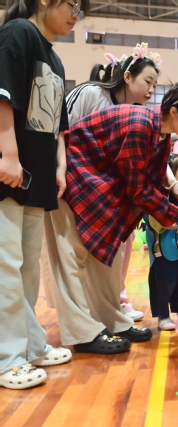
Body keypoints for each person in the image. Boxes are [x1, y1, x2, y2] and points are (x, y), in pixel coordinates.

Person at [43, 83, 178, 354]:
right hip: (73, 179)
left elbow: (150, 185)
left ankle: (113, 321)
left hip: (97, 187)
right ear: (174, 112)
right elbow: (138, 188)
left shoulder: (161, 136)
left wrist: (175, 218)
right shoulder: (140, 124)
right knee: (71, 259)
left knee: (106, 260)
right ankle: (82, 334)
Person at [0, 0, 84, 390]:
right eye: (72, 4)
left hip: (36, 177)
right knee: (6, 266)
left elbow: (57, 126)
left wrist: (60, 166)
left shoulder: (55, 58)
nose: (76, 14)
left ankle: (30, 346)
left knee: (27, 268)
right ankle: (7, 358)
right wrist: (8, 155)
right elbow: (3, 97)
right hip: (10, 171)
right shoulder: (18, 33)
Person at [65, 43, 165, 322]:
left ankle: (117, 300)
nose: (151, 90)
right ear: (128, 76)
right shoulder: (90, 93)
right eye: (147, 81)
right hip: (77, 188)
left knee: (122, 243)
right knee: (77, 254)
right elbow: (63, 133)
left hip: (113, 197)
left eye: (155, 85)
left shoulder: (138, 115)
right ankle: (85, 312)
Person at [146, 154, 178, 331]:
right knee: (163, 284)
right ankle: (163, 315)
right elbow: (157, 222)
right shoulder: (157, 195)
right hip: (161, 251)